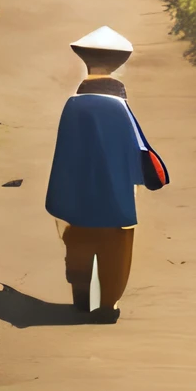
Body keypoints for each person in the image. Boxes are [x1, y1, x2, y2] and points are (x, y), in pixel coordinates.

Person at [45, 21, 161, 318]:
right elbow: (138, 154)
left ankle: (82, 300)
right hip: (115, 198)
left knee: (78, 248)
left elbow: (64, 155)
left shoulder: (73, 105)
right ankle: (108, 305)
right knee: (115, 254)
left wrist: (60, 196)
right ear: (119, 65)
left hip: (76, 199)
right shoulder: (120, 109)